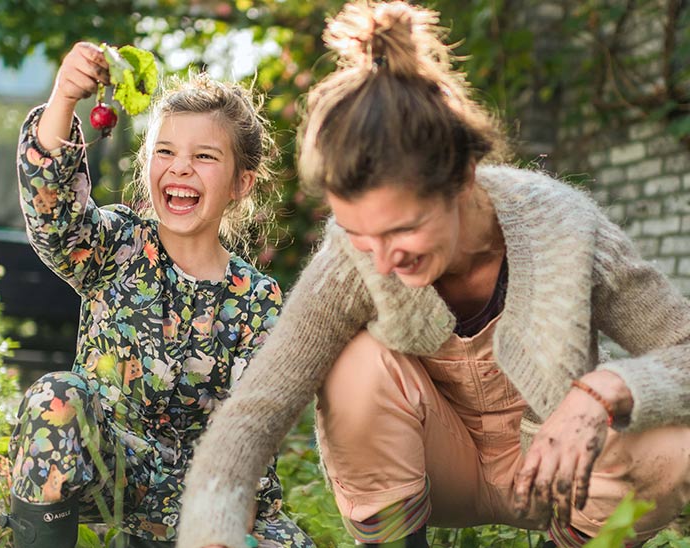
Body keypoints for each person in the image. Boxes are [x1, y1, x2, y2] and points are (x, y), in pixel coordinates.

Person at [175, 2, 690, 547]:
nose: (380, 258)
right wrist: (212, 524)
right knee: (357, 363)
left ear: (464, 177)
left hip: (559, 470)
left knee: (679, 445)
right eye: (358, 233)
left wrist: (608, 389)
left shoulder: (565, 229)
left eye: (402, 230)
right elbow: (261, 403)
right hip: (435, 467)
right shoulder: (352, 260)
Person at [0, 42, 314, 548]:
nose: (181, 167)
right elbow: (51, 209)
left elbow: (251, 436)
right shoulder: (115, 248)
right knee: (56, 397)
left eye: (204, 156)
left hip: (210, 500)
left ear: (241, 182)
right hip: (114, 480)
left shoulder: (258, 301)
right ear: (147, 165)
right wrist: (65, 95)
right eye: (165, 152)